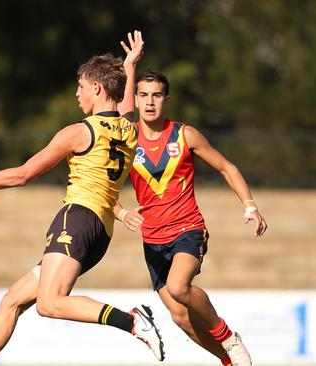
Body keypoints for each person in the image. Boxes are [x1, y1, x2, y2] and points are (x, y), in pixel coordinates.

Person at [0, 31, 165, 365]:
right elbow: (122, 106)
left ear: (96, 88)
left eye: (81, 87)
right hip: (100, 234)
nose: (77, 94)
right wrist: (129, 66)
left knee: (50, 303)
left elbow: (22, 175)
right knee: (13, 300)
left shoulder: (79, 132)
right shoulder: (129, 128)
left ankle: (132, 321)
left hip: (77, 219)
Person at [113, 69, 268, 366]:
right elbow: (102, 186)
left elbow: (227, 167)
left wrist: (250, 204)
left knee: (178, 286)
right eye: (143, 95)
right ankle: (229, 360)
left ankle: (228, 337)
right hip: (153, 240)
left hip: (188, 228)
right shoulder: (126, 139)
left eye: (156, 95)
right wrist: (121, 213)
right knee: (180, 316)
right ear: (135, 99)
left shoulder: (185, 135)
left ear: (166, 100)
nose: (149, 102)